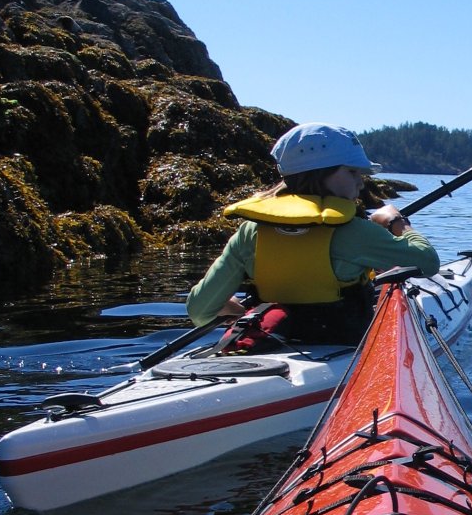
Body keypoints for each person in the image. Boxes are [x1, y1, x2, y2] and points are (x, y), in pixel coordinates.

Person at [186, 122, 440, 349]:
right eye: (352, 172)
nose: (361, 183)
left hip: (273, 341)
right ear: (320, 174)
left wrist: (236, 310)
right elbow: (426, 262)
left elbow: (200, 311)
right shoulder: (356, 232)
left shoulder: (250, 232)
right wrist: (398, 223)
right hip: (342, 346)